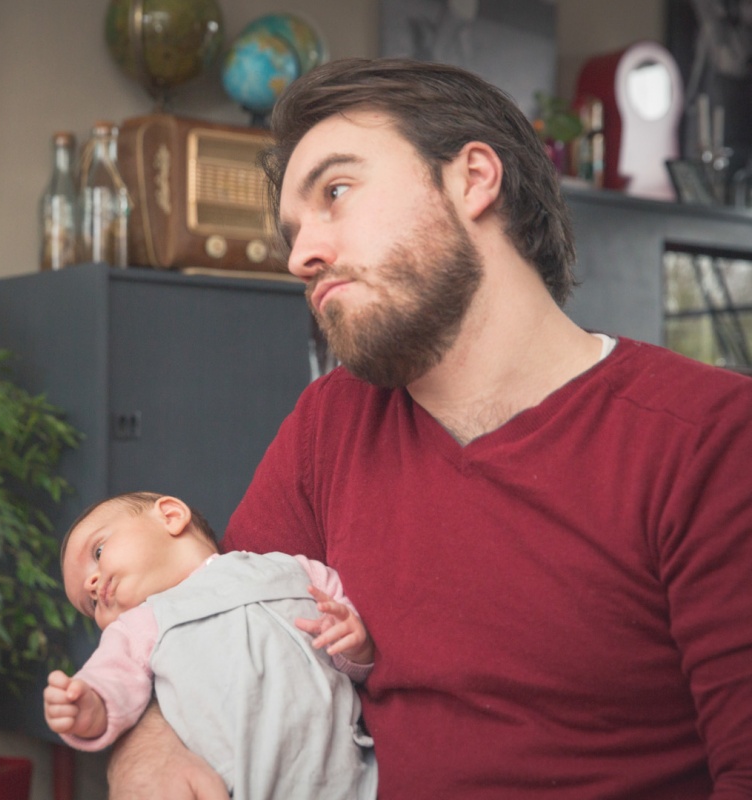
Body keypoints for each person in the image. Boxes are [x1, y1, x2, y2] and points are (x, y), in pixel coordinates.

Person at [108, 57, 752, 799]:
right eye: (292, 229)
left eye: (337, 192)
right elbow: (215, 623)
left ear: (474, 178)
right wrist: (150, 746)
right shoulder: (332, 423)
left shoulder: (707, 437)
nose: (299, 256)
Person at [47, 492, 377, 799]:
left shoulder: (292, 569)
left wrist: (354, 646)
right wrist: (92, 705)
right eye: (89, 606)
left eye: (98, 551)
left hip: (344, 774)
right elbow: (112, 676)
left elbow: (353, 653)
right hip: (237, 784)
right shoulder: (140, 625)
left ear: (171, 516)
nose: (91, 585)